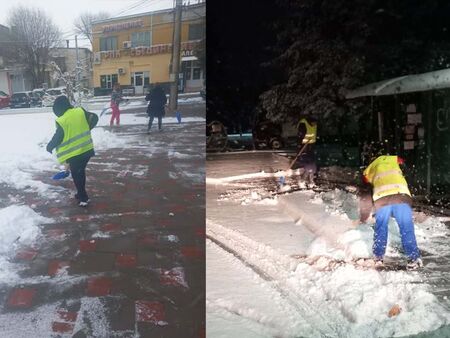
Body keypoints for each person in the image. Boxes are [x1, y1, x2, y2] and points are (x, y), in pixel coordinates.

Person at [359, 153, 422, 269]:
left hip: (381, 198)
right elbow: (407, 171)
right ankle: (413, 259)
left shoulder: (368, 170)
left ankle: (378, 257)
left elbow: (366, 189)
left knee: (381, 227)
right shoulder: (395, 159)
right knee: (406, 227)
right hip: (401, 195)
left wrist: (364, 213)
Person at [46, 96, 98, 207]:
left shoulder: (62, 120)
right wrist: (86, 128)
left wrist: (50, 146)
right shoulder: (80, 111)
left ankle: (84, 198)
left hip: (76, 153)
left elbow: (58, 136)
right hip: (86, 149)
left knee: (77, 175)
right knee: (79, 173)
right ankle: (81, 193)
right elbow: (95, 118)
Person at [295, 116, 318, 184]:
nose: (315, 124)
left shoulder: (314, 124)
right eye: (314, 123)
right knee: (306, 158)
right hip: (304, 144)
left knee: (312, 159)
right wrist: (300, 144)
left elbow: (313, 133)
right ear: (311, 122)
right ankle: (305, 176)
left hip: (311, 144)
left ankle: (311, 175)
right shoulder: (303, 124)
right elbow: (300, 134)